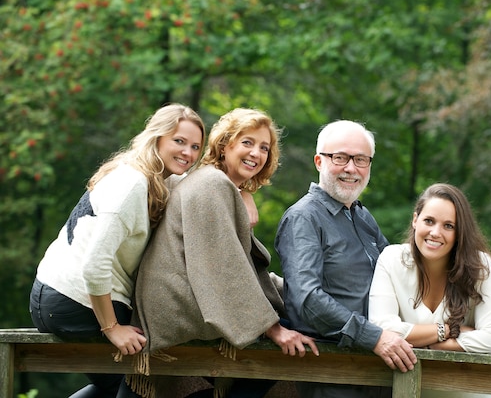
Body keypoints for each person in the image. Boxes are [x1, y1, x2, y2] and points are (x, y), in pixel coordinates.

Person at [124, 108, 319, 398]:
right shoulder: (212, 184)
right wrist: (273, 329)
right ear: (225, 145)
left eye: (264, 147)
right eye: (247, 142)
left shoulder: (214, 181)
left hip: (185, 299)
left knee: (293, 320)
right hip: (176, 306)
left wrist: (295, 292)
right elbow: (225, 267)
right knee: (290, 338)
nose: (257, 153)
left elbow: (238, 264)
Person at [29, 103, 206, 398]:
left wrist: (246, 192)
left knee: (114, 386)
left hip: (53, 295)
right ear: (157, 138)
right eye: (179, 141)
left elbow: (205, 184)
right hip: (77, 303)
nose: (188, 153)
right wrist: (111, 328)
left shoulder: (153, 177)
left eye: (195, 146)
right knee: (145, 383)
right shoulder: (131, 184)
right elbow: (94, 264)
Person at [275, 120, 417, 398]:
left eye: (361, 160)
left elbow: (398, 276)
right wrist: (374, 337)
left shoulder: (362, 217)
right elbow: (307, 300)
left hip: (376, 367)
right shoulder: (304, 217)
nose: (351, 168)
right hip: (332, 370)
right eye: (340, 158)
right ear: (319, 161)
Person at [369, 183, 491, 398]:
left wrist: (423, 342)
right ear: (415, 220)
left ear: (460, 232)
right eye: (429, 221)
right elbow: (381, 329)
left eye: (449, 226)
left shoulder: (480, 266)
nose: (436, 233)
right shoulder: (391, 259)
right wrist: (449, 331)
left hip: (471, 393)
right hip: (412, 391)